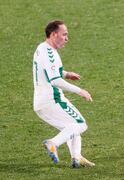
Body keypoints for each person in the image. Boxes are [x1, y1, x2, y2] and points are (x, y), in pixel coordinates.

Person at [32, 20, 95, 168]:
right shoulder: (49, 53)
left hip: (40, 102)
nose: (67, 38)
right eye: (64, 34)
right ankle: (53, 143)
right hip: (52, 99)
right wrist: (80, 91)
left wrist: (66, 74)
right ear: (54, 34)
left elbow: (48, 71)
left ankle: (76, 158)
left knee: (70, 127)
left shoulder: (42, 48)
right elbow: (55, 81)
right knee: (80, 124)